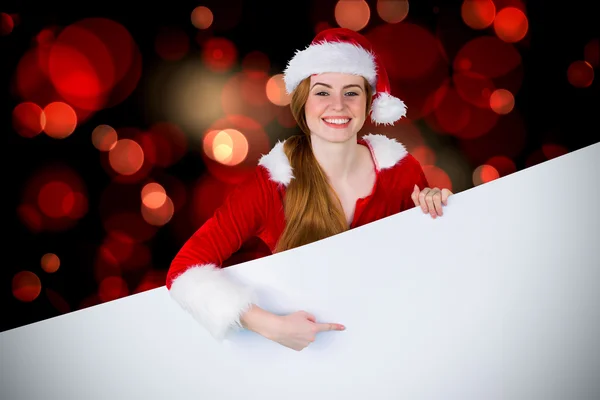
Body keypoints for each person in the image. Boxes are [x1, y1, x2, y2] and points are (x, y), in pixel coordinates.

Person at [165, 28, 453, 351]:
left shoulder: (401, 171)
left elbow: (425, 267)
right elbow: (183, 272)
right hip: (309, 360)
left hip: (388, 343)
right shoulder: (271, 184)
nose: (338, 106)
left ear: (368, 102)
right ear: (304, 101)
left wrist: (435, 213)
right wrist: (271, 327)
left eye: (351, 93)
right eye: (322, 92)